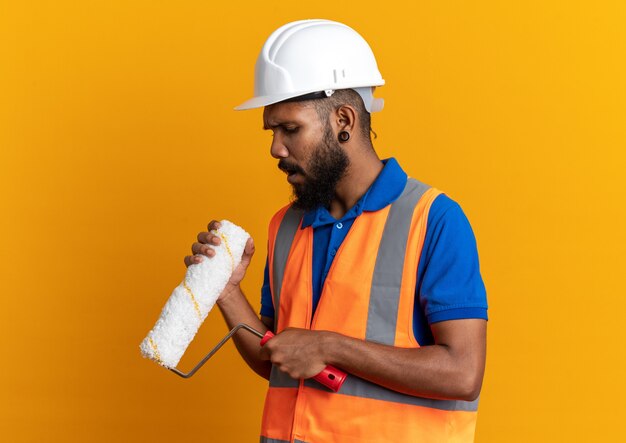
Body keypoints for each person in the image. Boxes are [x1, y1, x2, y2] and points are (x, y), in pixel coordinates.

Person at [185, 19, 488, 443]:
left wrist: (330, 346)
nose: (276, 148)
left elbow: (463, 373)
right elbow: (278, 359)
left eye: (290, 129)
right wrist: (227, 291)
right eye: (272, 131)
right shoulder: (286, 225)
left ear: (343, 119)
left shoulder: (433, 219)